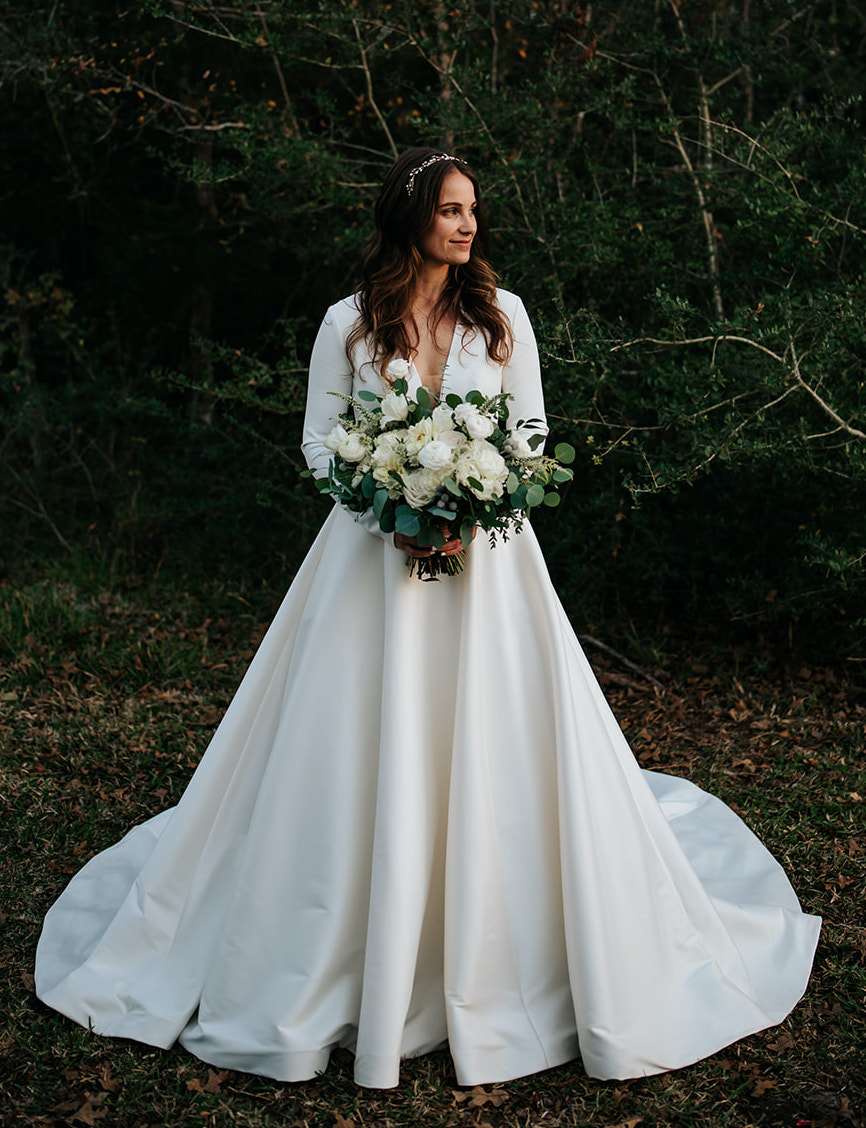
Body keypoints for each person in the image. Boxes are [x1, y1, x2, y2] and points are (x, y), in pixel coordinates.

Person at [35, 147, 821, 1091]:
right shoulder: (348, 324)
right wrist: (393, 507)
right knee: (356, 743)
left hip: (491, 569)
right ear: (411, 217)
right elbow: (320, 442)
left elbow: (528, 435)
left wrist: (471, 506)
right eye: (450, 209)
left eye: (473, 209)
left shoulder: (504, 317)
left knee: (501, 739)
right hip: (371, 566)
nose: (467, 224)